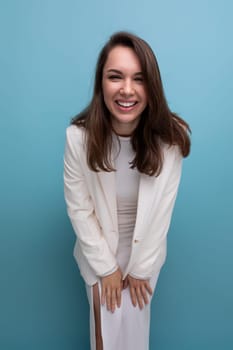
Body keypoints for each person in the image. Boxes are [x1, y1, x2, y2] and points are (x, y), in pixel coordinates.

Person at [64, 31, 191, 350]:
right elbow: (79, 208)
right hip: (98, 250)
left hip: (145, 253)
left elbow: (162, 213)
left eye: (139, 78)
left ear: (152, 87)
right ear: (101, 83)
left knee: (134, 336)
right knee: (107, 335)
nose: (127, 89)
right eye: (115, 77)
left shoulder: (170, 140)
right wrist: (107, 268)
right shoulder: (78, 138)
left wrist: (140, 269)